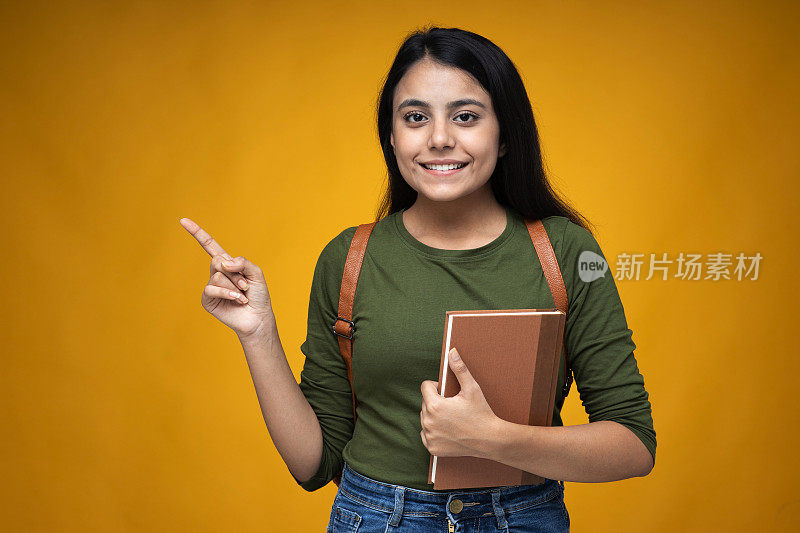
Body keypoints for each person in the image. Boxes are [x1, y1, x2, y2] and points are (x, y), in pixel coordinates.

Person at [181, 25, 655, 533]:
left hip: (522, 518)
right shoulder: (349, 257)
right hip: (376, 519)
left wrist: (493, 438)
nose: (439, 139)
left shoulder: (567, 252)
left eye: (466, 117)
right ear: (391, 135)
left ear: (507, 134)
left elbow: (633, 445)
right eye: (415, 118)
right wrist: (258, 334)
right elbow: (312, 465)